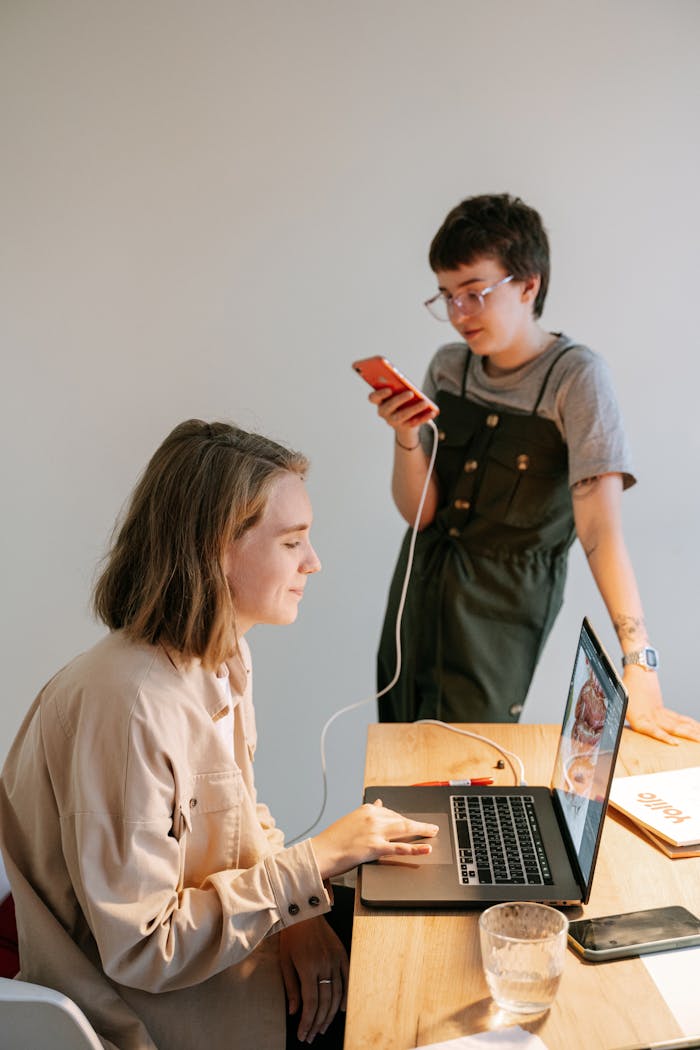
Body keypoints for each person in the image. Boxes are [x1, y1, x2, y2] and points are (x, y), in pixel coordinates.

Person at [0, 419, 438, 1050]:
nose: (314, 562)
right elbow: (146, 949)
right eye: (293, 543)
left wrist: (300, 913)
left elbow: (235, 816)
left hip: (225, 954)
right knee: (409, 1008)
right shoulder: (128, 708)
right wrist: (311, 867)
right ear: (217, 548)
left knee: (411, 917)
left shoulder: (221, 654)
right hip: (153, 1011)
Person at [368, 193, 700, 745]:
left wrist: (640, 663)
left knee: (466, 770)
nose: (458, 314)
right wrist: (406, 438)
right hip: (417, 594)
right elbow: (420, 514)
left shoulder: (578, 380)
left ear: (528, 285)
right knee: (399, 757)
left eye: (474, 293)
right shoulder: (448, 368)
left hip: (498, 618)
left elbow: (600, 533)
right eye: (447, 297)